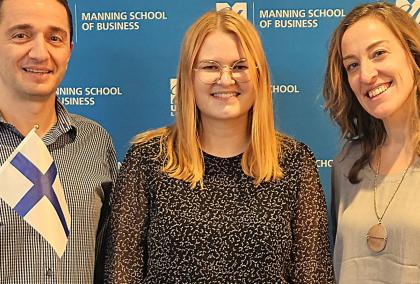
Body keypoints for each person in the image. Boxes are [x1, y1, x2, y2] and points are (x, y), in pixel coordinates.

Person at [104, 8, 334, 283]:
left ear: (259, 76)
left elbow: (313, 274)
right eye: (211, 66)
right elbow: (121, 271)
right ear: (188, 76)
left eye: (239, 66)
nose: (226, 79)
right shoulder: (149, 158)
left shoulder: (294, 161)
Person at [0, 0, 118, 282]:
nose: (40, 53)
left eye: (55, 38)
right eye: (21, 35)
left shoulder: (95, 142)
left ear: (69, 51)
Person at [323, 2, 420, 283]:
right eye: (352, 65)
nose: (366, 75)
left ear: (412, 54)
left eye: (378, 54)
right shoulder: (347, 162)